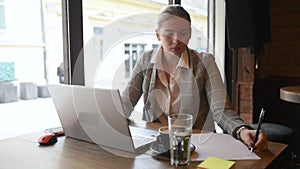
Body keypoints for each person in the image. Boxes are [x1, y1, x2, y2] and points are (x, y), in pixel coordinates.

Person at [121, 5, 268, 150]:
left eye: (183, 33)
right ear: (158, 35)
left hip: (197, 146)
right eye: (169, 33)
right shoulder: (145, 60)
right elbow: (126, 103)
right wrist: (103, 122)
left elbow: (221, 110)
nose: (176, 40)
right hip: (156, 144)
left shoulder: (205, 62)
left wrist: (241, 130)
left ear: (190, 34)